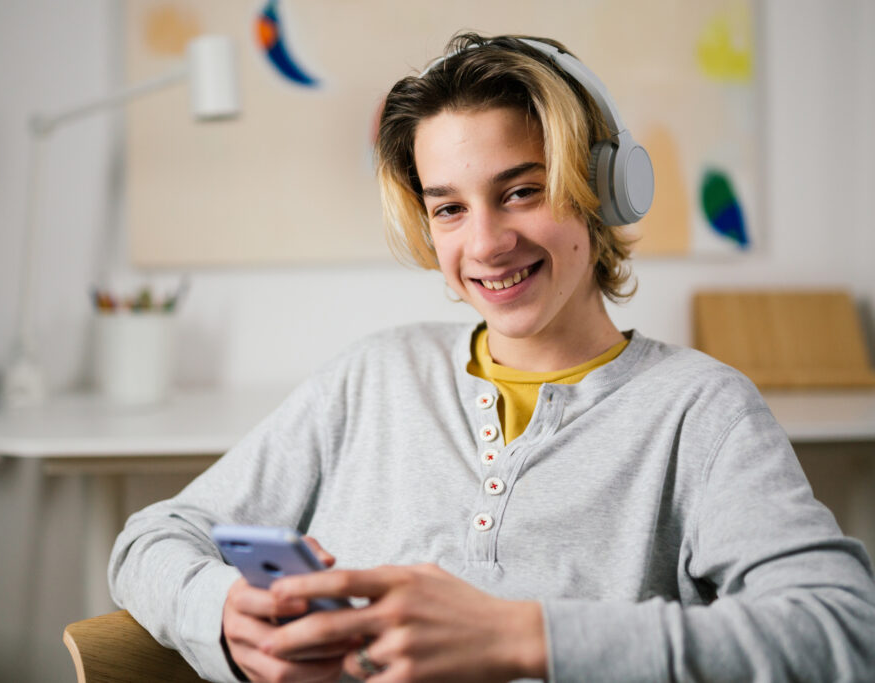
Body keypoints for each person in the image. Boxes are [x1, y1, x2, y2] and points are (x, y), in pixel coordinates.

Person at [109, 33, 875, 682]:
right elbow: (153, 536)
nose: (484, 244)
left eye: (521, 191)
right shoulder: (372, 376)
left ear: (603, 189)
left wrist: (522, 637)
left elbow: (841, 627)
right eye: (448, 207)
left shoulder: (698, 410)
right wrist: (219, 611)